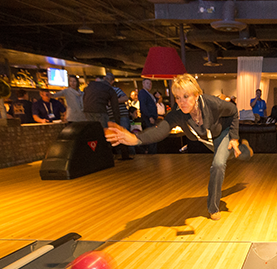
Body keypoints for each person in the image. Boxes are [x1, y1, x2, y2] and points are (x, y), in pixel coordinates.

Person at [105, 74, 253, 220]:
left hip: (222, 133)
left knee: (219, 163)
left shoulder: (212, 103)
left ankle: (213, 208)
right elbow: (160, 130)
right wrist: (136, 139)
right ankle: (241, 148)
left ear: (196, 95)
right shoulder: (177, 113)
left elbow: (233, 111)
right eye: (177, 97)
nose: (181, 102)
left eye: (186, 96)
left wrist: (234, 137)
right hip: (207, 139)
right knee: (231, 154)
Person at [137, 79, 158, 154]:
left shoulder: (148, 94)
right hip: (148, 118)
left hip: (151, 117)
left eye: (150, 84)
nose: (149, 85)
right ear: (143, 84)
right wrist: (149, 116)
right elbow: (143, 106)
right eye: (147, 83)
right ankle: (152, 153)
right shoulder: (143, 93)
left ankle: (152, 152)